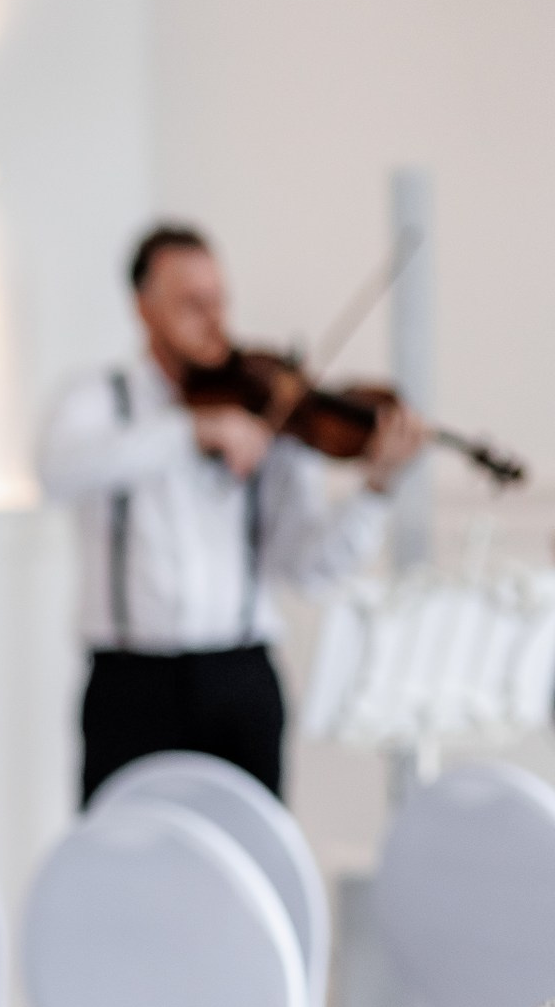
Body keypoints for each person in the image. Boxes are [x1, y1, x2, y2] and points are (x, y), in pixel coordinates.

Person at [39, 223, 424, 803]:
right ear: (143, 308)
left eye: (219, 300)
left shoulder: (270, 406)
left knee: (252, 863)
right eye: (192, 304)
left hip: (240, 678)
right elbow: (58, 470)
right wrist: (192, 430)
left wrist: (375, 493)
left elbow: (310, 568)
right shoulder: (99, 398)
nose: (215, 319)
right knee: (120, 863)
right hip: (130, 683)